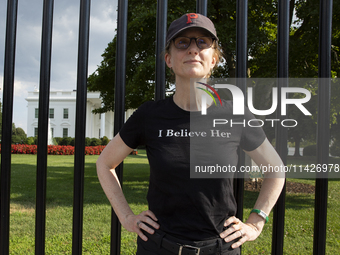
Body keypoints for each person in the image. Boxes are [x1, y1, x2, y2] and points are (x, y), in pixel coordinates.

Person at [97, 13, 285, 255]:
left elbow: (276, 169)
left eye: (203, 42)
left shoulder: (236, 115)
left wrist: (256, 222)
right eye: (182, 43)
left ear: (214, 59)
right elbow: (105, 163)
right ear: (169, 59)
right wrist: (126, 216)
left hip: (220, 248)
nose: (193, 49)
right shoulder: (149, 115)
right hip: (158, 248)